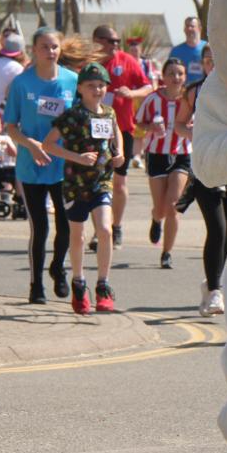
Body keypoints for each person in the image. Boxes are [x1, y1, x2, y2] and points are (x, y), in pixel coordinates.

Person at [3, 28, 79, 304]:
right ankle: (36, 285)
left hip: (64, 164)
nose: (51, 51)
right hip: (31, 165)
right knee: (40, 227)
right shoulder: (22, 83)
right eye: (45, 47)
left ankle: (58, 268)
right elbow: (10, 127)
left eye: (55, 46)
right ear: (34, 50)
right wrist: (31, 144)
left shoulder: (72, 81)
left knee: (66, 224)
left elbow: (82, 119)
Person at [43, 63, 125, 314]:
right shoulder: (73, 115)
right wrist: (77, 158)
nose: (97, 89)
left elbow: (116, 130)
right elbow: (49, 144)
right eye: (91, 86)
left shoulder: (108, 112)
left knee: (104, 229)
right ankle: (78, 283)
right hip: (76, 184)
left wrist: (119, 151)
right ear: (80, 89)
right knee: (76, 236)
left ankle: (103, 286)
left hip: (101, 181)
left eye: (101, 85)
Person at [174, 44, 227, 316]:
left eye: (217, 59)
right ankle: (216, 292)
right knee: (217, 229)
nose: (213, 65)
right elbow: (179, 125)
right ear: (203, 64)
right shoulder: (195, 91)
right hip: (205, 167)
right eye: (208, 60)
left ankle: (212, 281)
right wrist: (194, 134)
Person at [92, 24, 154, 248]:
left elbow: (147, 86)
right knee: (96, 182)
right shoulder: (90, 63)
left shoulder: (127, 60)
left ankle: (115, 227)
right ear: (97, 40)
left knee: (119, 182)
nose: (115, 45)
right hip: (94, 129)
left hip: (122, 129)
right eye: (111, 41)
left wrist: (132, 93)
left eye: (118, 41)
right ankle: (100, 230)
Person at [137, 57, 192, 270]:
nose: (176, 77)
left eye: (180, 73)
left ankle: (167, 252)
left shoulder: (190, 99)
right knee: (160, 208)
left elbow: (197, 123)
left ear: (185, 76)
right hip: (156, 154)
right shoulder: (153, 99)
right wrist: (151, 127)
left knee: (172, 206)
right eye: (171, 73)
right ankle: (155, 219)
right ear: (164, 77)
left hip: (181, 154)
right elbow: (139, 122)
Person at [169, 16, 208, 85]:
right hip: (183, 91)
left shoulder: (208, 48)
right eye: (187, 26)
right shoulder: (176, 51)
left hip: (204, 89)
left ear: (199, 29)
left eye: (192, 26)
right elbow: (170, 72)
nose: (189, 29)